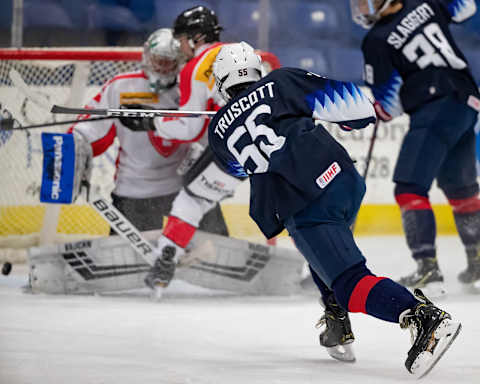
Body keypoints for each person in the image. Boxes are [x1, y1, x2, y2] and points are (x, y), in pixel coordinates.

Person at [207, 41, 461, 377]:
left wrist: (232, 125)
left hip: (304, 201)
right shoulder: (281, 82)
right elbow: (356, 107)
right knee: (324, 254)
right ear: (257, 69)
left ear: (222, 84)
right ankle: (336, 319)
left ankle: (423, 317)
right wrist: (349, 122)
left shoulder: (217, 132)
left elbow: (239, 168)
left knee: (350, 283)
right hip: (342, 179)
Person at [351, 0, 480, 295]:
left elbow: (388, 105)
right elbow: (467, 7)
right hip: (467, 102)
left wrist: (369, 113)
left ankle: (428, 269)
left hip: (434, 107)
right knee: (461, 190)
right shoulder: (424, 3)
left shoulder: (377, 38)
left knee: (409, 187)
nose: (359, 8)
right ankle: (478, 260)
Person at [124, 6, 242, 294]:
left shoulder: (195, 68)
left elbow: (190, 128)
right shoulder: (242, 51)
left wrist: (152, 122)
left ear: (196, 37)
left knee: (192, 199)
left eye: (181, 41)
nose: (180, 48)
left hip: (233, 149)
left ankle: (166, 258)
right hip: (271, 142)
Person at [69, 28, 228, 235]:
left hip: (185, 189)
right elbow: (92, 129)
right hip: (134, 191)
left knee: (215, 251)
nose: (162, 67)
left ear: (179, 61)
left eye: (169, 61)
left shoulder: (192, 86)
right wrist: (76, 140)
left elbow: (210, 132)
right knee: (126, 262)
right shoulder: (122, 87)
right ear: (147, 56)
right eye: (158, 60)